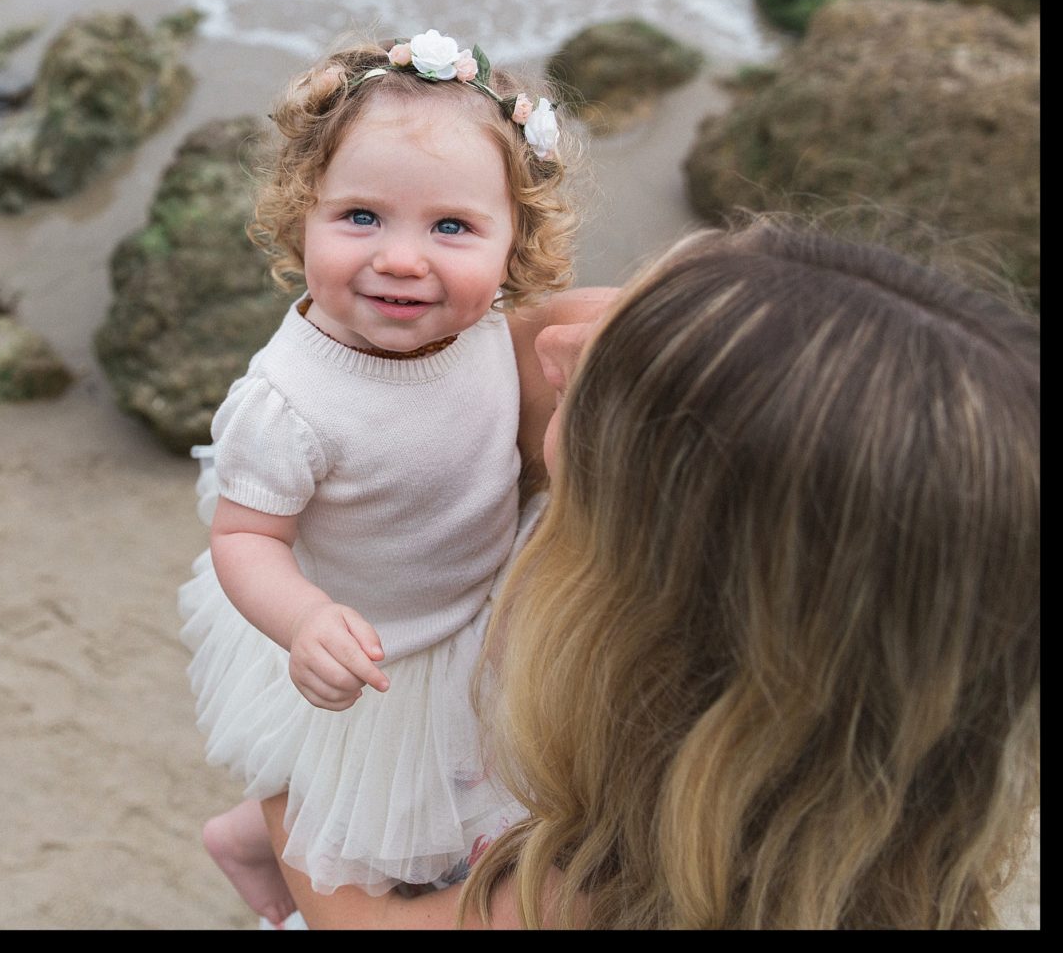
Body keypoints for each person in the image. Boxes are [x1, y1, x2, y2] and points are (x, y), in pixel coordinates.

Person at [257, 218, 1042, 928]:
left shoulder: (615, 881)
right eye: (622, 308)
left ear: (668, 572)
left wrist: (279, 771)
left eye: (597, 382)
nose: (551, 344)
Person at [178, 29, 578, 923]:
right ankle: (274, 866)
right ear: (301, 214)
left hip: (474, 600)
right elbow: (245, 537)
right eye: (360, 217)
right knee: (399, 830)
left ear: (514, 242)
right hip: (373, 646)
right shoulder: (289, 400)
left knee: (468, 795)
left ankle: (248, 837)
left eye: (451, 227)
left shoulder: (485, 322)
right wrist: (304, 619)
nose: (402, 258)